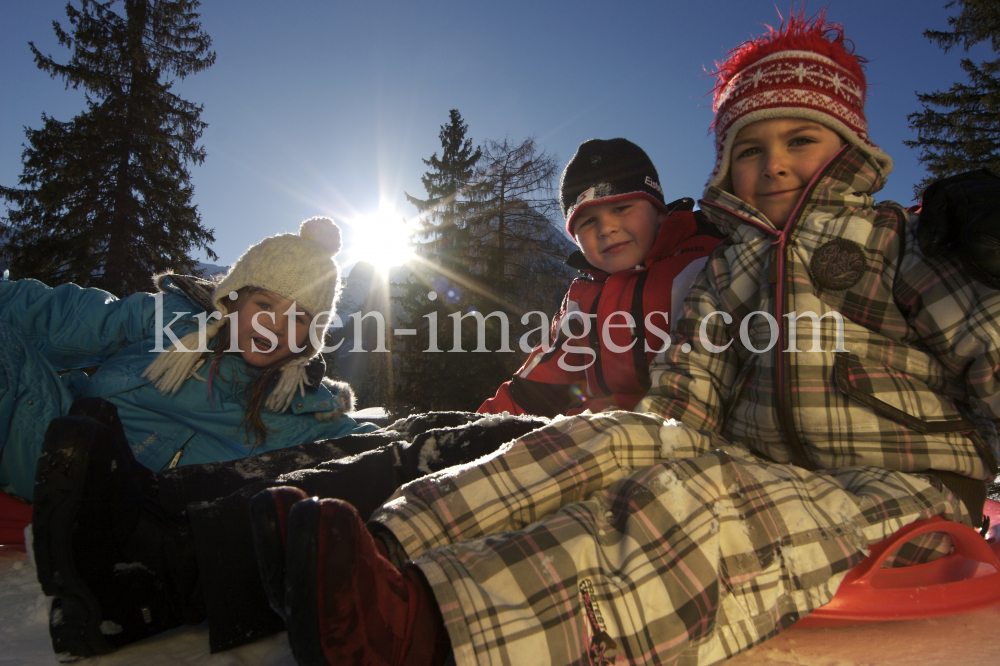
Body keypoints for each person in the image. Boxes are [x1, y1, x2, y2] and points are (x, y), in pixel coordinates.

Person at [256, 11, 1000, 666]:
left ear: (847, 150)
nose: (773, 162)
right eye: (750, 148)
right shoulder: (728, 270)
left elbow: (988, 352)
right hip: (764, 462)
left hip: (904, 484)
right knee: (608, 441)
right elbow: (686, 392)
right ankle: (379, 551)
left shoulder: (897, 245)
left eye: (801, 139)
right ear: (725, 166)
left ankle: (429, 628)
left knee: (698, 506)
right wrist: (626, 445)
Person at [0, 217, 379, 502]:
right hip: (55, 441)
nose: (275, 327)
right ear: (233, 301)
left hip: (129, 508)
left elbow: (382, 453)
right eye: (264, 305)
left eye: (298, 318)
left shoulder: (304, 411)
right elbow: (60, 317)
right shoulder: (172, 320)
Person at [478, 138, 724, 416]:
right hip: (602, 434)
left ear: (658, 211)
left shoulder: (706, 259)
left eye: (621, 208)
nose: (606, 228)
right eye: (588, 221)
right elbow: (538, 386)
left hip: (687, 427)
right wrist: (481, 425)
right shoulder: (582, 298)